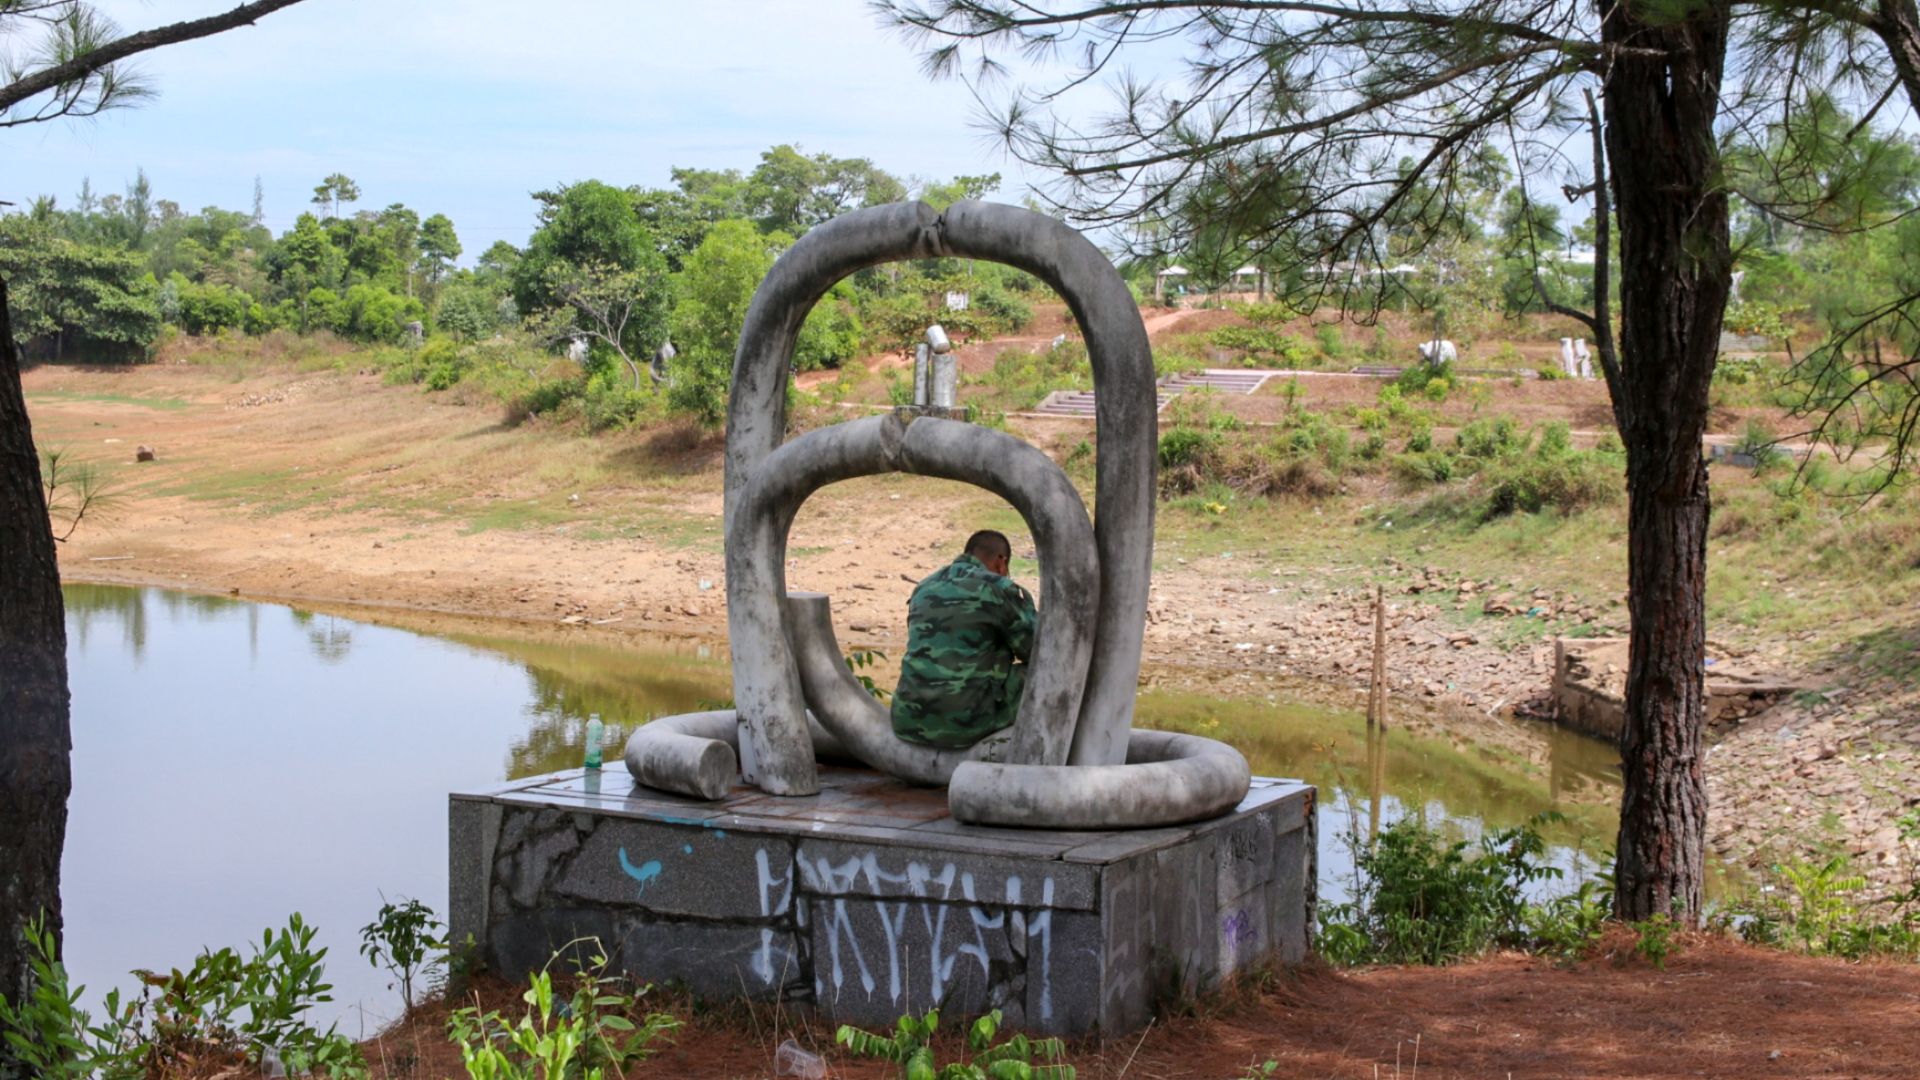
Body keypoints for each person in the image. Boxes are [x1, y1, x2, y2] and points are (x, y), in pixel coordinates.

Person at [890, 529, 1037, 748]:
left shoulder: (924, 587)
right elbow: (1038, 650)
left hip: (907, 720)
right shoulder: (998, 588)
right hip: (967, 725)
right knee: (1043, 671)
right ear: (1001, 562)